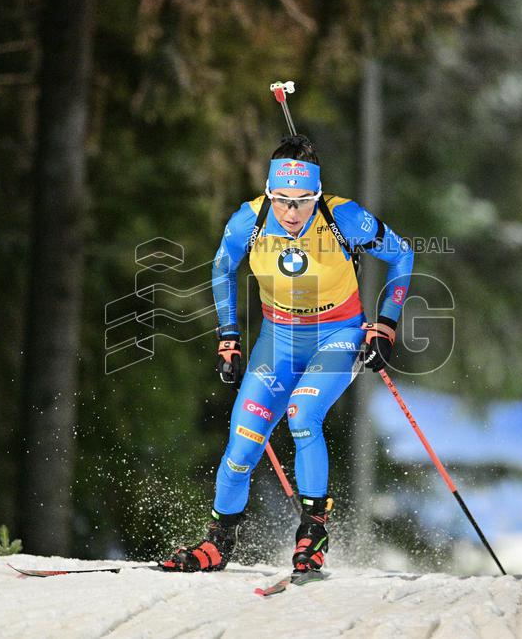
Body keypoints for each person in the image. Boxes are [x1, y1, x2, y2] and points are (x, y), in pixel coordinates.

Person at [159, 134, 414, 573]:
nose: (291, 213)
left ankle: (313, 533)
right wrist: (228, 337)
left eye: (302, 201)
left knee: (301, 414)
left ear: (317, 193)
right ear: (269, 193)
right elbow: (222, 267)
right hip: (278, 342)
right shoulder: (249, 221)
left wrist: (386, 325)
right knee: (242, 445)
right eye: (281, 200)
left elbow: (402, 255)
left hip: (338, 335)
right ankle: (218, 542)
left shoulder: (344, 217)